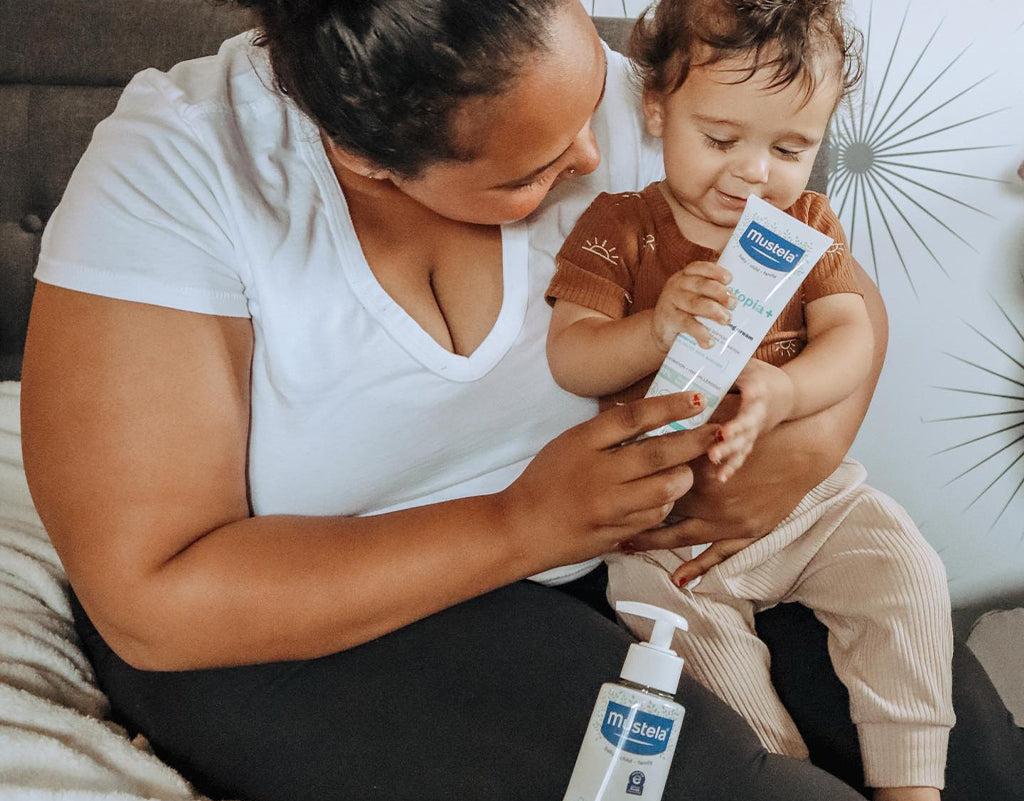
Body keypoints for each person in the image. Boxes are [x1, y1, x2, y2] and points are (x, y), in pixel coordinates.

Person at [17, 1, 1023, 800]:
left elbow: (832, 285)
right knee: (722, 777)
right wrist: (524, 522)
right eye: (534, 171)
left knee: (959, 746)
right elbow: (153, 599)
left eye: (594, 96)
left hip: (616, 545)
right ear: (367, 160)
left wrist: (794, 455)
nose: (594, 154)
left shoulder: (647, 107)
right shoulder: (183, 169)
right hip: (293, 617)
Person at [545, 2, 1023, 800]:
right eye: (722, 139)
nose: (754, 172)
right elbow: (573, 357)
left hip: (812, 506)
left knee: (906, 575)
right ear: (658, 109)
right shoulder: (618, 226)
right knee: (687, 645)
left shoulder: (806, 221)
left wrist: (787, 387)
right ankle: (783, 774)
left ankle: (912, 782)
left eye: (791, 146)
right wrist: (656, 328)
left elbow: (853, 334)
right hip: (671, 536)